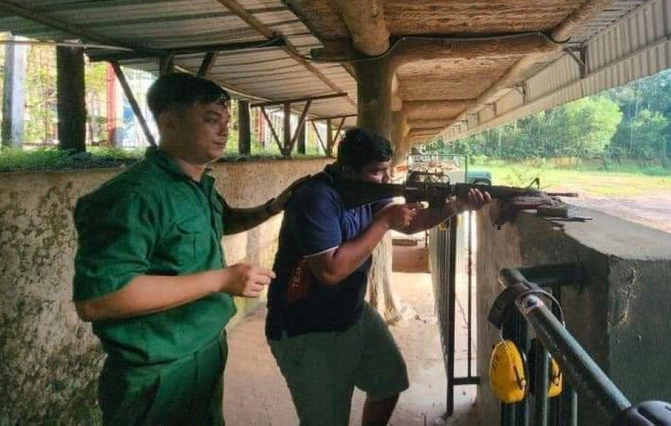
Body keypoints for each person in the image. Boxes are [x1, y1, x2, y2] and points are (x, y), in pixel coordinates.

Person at [73, 73, 300, 425]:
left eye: (226, 121)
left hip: (205, 349)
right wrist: (221, 280)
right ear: (169, 122)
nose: (224, 131)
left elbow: (221, 222)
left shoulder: (197, 184)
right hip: (159, 371)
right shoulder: (133, 197)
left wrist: (274, 207)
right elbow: (99, 299)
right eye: (211, 119)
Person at [266, 127, 491, 426]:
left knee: (389, 382)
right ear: (348, 170)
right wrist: (384, 222)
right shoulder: (316, 198)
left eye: (386, 171)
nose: (385, 180)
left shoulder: (364, 189)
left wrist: (455, 206)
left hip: (352, 312)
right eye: (377, 172)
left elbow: (409, 224)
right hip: (308, 328)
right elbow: (330, 271)